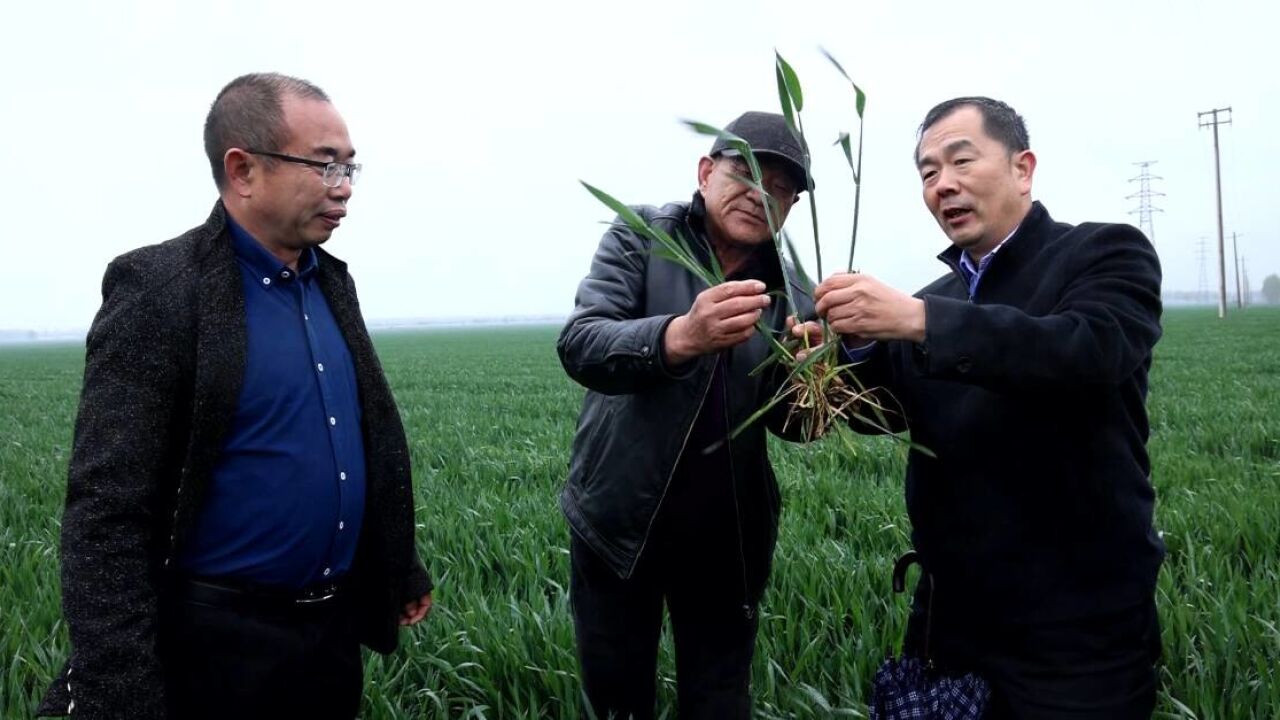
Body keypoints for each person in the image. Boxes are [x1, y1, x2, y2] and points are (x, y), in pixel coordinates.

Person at [38, 73, 433, 720]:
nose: (344, 189)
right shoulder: (161, 289)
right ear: (243, 170)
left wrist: (396, 565)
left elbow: (355, 439)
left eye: (351, 166)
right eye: (324, 165)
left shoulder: (332, 284)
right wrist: (120, 688)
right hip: (216, 646)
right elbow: (107, 514)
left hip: (329, 642)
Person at [807, 97, 1164, 717]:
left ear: (1023, 169)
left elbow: (1089, 351)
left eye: (960, 160)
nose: (942, 183)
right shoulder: (933, 302)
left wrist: (918, 322)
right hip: (952, 622)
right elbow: (881, 412)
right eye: (926, 172)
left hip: (1077, 630)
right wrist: (847, 353)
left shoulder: (1104, 255)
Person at [558, 111, 814, 718]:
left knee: (720, 700)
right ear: (705, 172)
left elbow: (792, 428)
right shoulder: (641, 236)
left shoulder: (793, 289)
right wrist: (680, 335)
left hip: (728, 535)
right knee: (619, 699)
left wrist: (812, 385)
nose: (762, 194)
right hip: (620, 522)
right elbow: (582, 344)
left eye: (782, 187)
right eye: (746, 172)